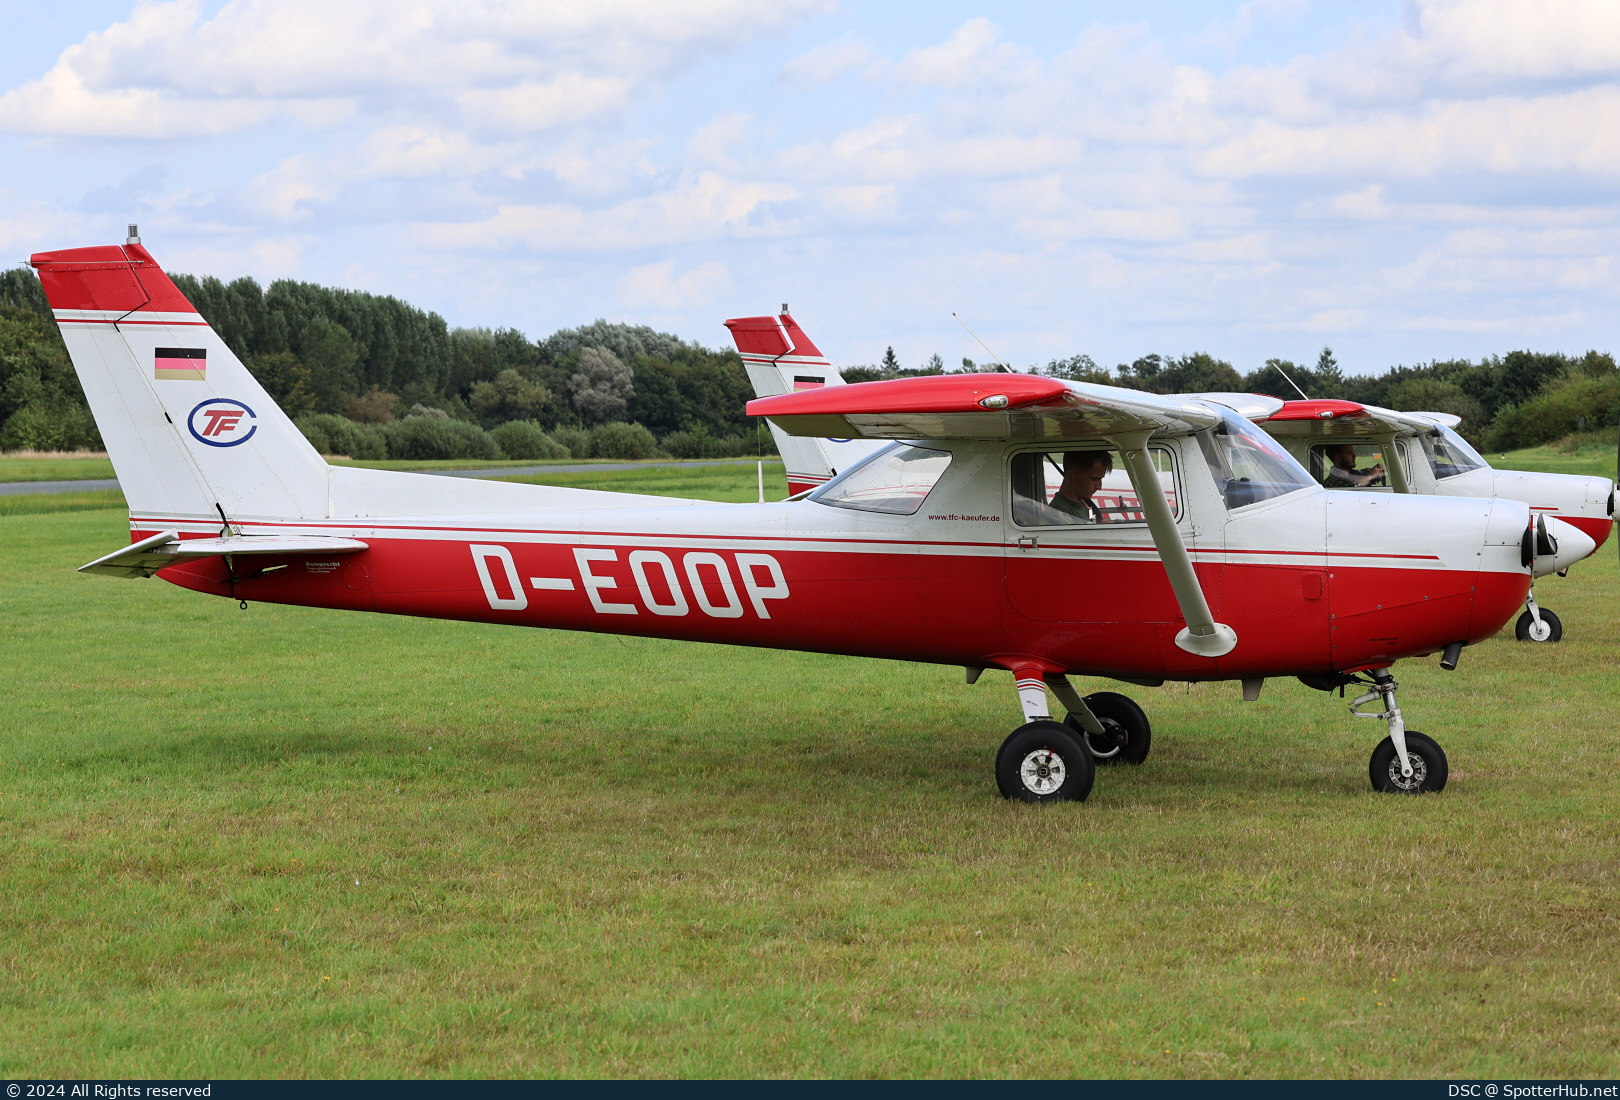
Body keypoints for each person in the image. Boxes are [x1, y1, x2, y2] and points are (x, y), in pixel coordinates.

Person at [1048, 450, 1114, 521]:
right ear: (1075, 473)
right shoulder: (1059, 514)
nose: (1099, 487)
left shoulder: (1079, 505)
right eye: (1094, 479)